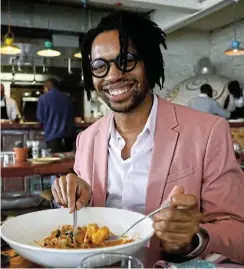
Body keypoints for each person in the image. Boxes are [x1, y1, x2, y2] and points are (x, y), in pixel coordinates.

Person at [51, 11, 244, 263]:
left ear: (149, 62)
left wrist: (195, 237)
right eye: (99, 66)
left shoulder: (208, 131)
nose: (112, 75)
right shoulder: (87, 139)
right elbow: (80, 224)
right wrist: (73, 198)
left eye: (127, 60)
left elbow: (237, 229)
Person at [36, 78, 76, 153]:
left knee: (55, 162)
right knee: (68, 162)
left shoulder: (43, 98)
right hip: (69, 136)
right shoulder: (68, 98)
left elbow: (40, 117)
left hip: (53, 136)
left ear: (46, 87)